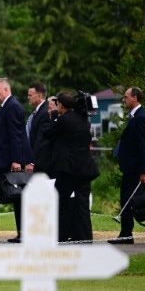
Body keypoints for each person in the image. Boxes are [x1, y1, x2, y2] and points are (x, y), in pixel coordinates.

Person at [0, 78, 32, 244]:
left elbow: (16, 136)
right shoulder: (5, 107)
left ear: (5, 89)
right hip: (2, 162)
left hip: (9, 163)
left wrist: (17, 161)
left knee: (14, 197)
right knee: (0, 198)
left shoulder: (13, 107)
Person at [44, 92, 99, 242]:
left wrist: (54, 117)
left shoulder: (64, 120)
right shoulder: (84, 119)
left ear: (60, 104)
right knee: (83, 204)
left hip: (68, 169)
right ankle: (85, 237)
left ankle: (60, 235)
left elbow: (48, 134)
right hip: (85, 168)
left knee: (60, 202)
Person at [108, 87, 145, 244]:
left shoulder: (141, 118)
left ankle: (126, 235)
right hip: (130, 168)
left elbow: (144, 146)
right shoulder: (135, 116)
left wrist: (144, 170)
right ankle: (125, 234)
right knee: (127, 199)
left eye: (125, 97)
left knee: (130, 200)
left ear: (134, 98)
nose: (123, 100)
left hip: (135, 169)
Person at [25, 82, 51, 174]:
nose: (28, 97)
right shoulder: (39, 111)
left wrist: (32, 162)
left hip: (41, 165)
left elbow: (41, 141)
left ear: (39, 96)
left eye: (30, 95)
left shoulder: (45, 112)